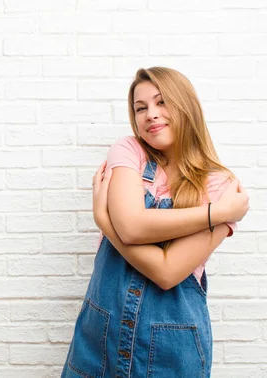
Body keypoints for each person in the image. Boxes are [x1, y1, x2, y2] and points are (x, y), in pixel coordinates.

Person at [61, 67, 250, 378]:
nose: (150, 114)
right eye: (140, 107)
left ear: (186, 106)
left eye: (162, 102)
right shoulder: (129, 150)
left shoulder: (220, 186)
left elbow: (166, 272)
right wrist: (217, 213)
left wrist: (105, 220)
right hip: (97, 345)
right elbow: (132, 227)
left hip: (170, 355)